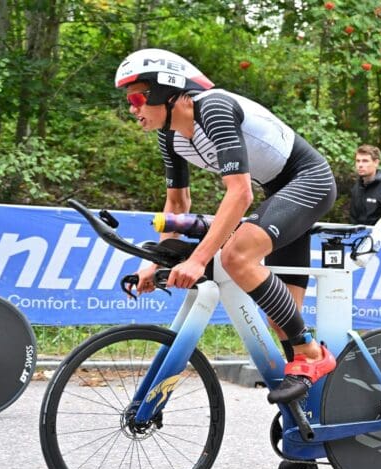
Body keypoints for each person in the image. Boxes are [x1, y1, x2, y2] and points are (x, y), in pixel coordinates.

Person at [115, 48, 337, 405]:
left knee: (236, 256)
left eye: (137, 98)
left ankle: (313, 354)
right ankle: (311, 423)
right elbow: (176, 204)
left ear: (166, 92)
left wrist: (198, 260)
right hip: (278, 195)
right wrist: (155, 259)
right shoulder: (170, 135)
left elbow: (239, 193)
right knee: (282, 320)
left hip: (309, 181)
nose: (132, 108)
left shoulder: (213, 108)